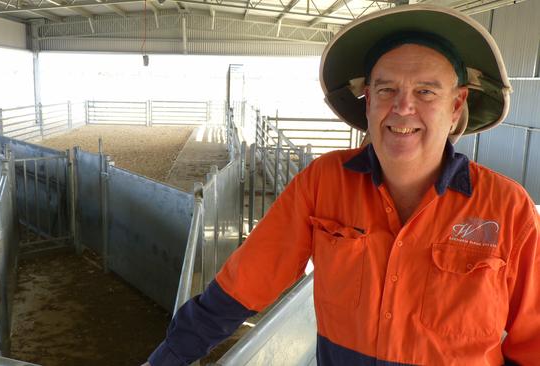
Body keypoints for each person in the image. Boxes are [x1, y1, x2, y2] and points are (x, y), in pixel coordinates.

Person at [145, 4, 540, 365]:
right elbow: (241, 287)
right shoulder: (324, 182)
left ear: (456, 106)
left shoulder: (508, 208)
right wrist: (166, 359)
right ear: (367, 102)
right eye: (386, 90)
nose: (403, 108)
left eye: (425, 91)